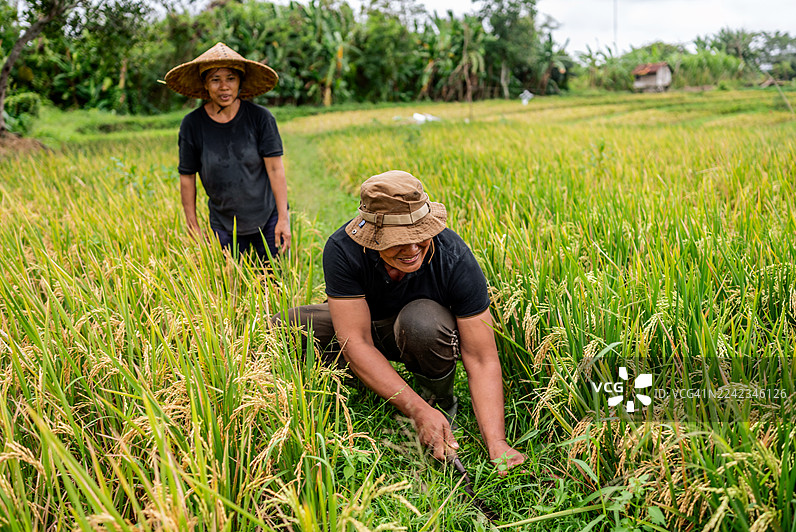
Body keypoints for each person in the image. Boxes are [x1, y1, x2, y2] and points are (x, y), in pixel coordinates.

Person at [275, 170, 526, 471]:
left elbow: (482, 357)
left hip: (423, 330)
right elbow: (356, 341)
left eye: (420, 236)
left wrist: (497, 442)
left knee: (420, 322)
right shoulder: (343, 250)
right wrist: (415, 410)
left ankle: (439, 401)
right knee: (284, 327)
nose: (412, 250)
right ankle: (364, 385)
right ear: (372, 237)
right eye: (398, 242)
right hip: (368, 326)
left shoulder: (454, 256)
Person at [165, 42, 290, 260]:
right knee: (229, 286)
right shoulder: (192, 124)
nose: (224, 86)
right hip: (223, 225)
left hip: (266, 218)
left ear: (240, 82)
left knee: (274, 283)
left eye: (230, 78)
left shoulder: (260, 118)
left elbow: (275, 169)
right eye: (215, 79)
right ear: (205, 84)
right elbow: (187, 177)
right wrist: (192, 225)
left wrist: (283, 218)